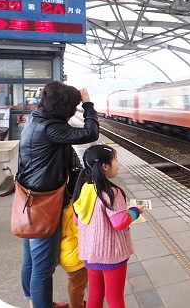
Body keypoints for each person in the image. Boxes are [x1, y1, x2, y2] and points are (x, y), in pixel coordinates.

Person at [17, 81, 100, 308]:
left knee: (32, 259)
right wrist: (89, 104)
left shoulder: (37, 119)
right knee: (43, 266)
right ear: (64, 107)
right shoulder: (51, 128)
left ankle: (34, 300)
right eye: (74, 106)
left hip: (30, 200)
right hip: (44, 204)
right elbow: (90, 133)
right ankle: (41, 304)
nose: (76, 110)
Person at [72, 145, 145, 308]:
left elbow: (77, 221)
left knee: (95, 296)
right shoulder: (112, 193)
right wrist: (135, 211)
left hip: (91, 254)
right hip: (112, 256)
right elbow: (119, 223)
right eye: (116, 161)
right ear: (105, 166)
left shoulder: (84, 189)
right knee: (115, 299)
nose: (118, 165)